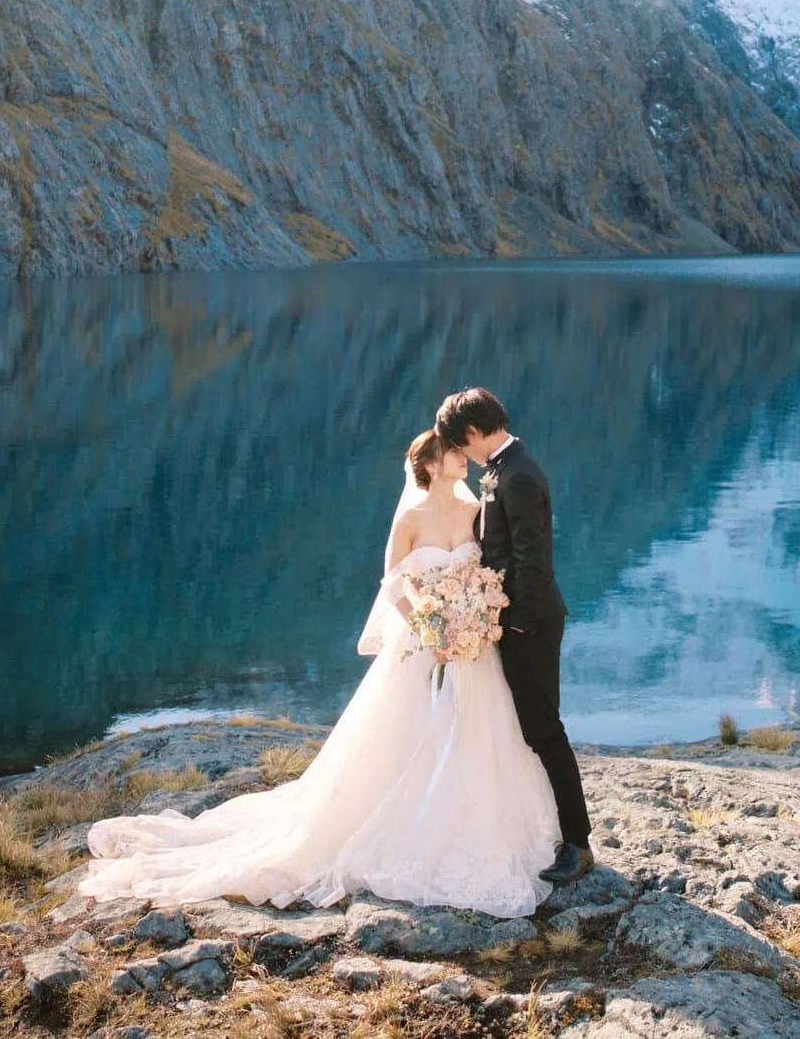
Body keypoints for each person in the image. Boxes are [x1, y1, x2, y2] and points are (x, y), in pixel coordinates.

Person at [76, 430, 559, 916]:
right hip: (425, 645)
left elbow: (488, 570)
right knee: (404, 738)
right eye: (454, 452)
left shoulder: (474, 510)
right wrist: (430, 629)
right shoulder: (410, 520)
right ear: (431, 465)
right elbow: (394, 585)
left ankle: (477, 821)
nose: (464, 457)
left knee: (480, 732)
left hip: (473, 648)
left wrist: (474, 616)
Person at [435, 387, 593, 883]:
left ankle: (578, 844)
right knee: (529, 728)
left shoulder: (518, 476)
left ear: (473, 432)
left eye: (460, 444)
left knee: (544, 730)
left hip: (531, 623)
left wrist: (515, 623)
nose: (461, 454)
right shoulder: (505, 469)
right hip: (517, 620)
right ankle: (551, 832)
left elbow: (533, 559)